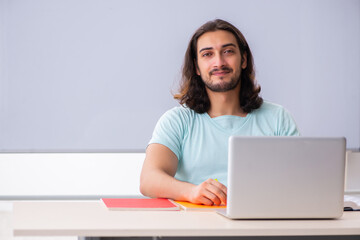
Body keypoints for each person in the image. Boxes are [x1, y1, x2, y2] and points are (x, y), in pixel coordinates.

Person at [139, 19, 299, 206]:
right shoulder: (177, 120)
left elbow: (300, 178)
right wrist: (191, 191)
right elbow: (148, 179)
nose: (219, 62)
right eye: (207, 54)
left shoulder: (278, 118)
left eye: (228, 51)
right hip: (197, 229)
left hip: (262, 226)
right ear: (197, 67)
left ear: (244, 59)